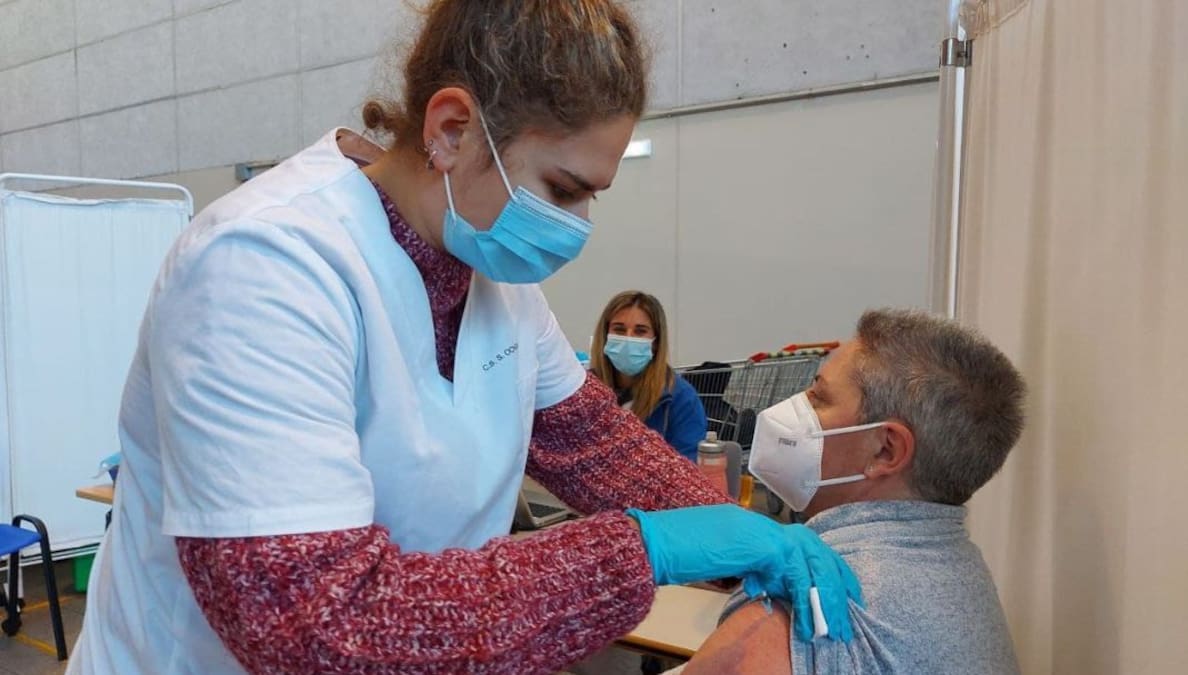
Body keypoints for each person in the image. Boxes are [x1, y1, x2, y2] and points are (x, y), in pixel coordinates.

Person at [67, 2, 860, 674]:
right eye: (562, 188)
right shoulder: (262, 266)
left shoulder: (496, 280)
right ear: (450, 129)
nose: (577, 225)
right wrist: (641, 552)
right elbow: (314, 620)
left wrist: (738, 534)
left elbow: (593, 444)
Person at [682, 309, 1025, 675]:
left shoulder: (796, 609)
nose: (790, 408)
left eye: (818, 397)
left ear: (885, 450)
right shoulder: (966, 579)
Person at [591, 291, 707, 461]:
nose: (628, 338)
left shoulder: (680, 398)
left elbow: (689, 465)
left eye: (640, 331)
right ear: (605, 335)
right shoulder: (585, 390)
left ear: (656, 342)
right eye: (619, 329)